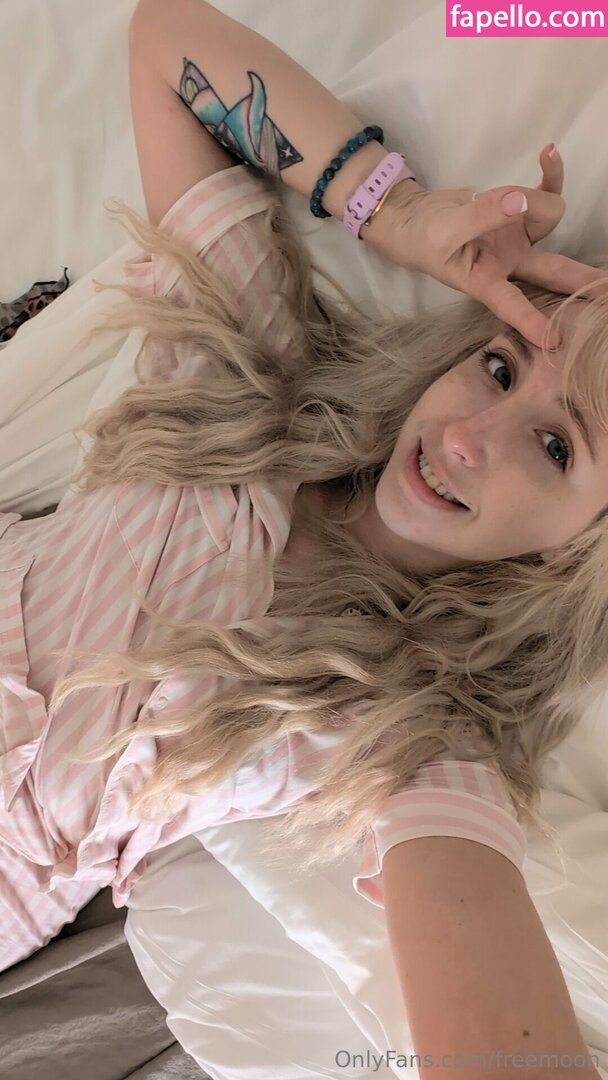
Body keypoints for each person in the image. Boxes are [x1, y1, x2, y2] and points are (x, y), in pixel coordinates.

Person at [2, 0, 608, 1075]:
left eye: (556, 447)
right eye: (499, 368)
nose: (467, 438)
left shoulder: (417, 734)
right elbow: (165, 39)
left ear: (582, 544)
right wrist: (401, 214)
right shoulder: (248, 377)